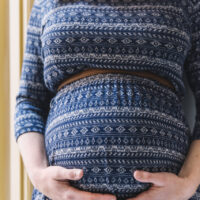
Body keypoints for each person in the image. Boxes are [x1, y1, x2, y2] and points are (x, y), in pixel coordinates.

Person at [14, 0, 200, 199]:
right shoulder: (47, 4)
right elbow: (29, 100)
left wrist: (188, 183)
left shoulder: (186, 4)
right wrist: (39, 175)